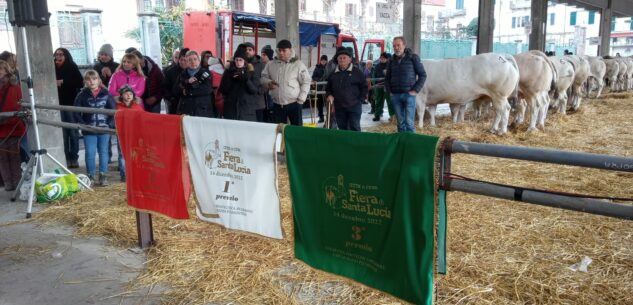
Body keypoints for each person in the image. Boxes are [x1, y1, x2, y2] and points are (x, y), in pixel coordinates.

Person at [73, 70, 116, 186]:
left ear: (99, 80)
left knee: (103, 153)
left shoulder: (106, 94)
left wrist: (109, 124)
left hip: (104, 129)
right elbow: (76, 111)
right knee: (90, 153)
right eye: (88, 79)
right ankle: (90, 176)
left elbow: (113, 111)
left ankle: (103, 176)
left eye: (94, 79)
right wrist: (83, 124)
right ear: (85, 81)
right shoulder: (82, 94)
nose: (91, 81)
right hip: (89, 129)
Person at [260, 39, 311, 125]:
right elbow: (263, 77)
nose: (281, 53)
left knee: (297, 130)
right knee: (279, 131)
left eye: (284, 50)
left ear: (290, 50)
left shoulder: (298, 65)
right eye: (279, 50)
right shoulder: (270, 64)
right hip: (277, 104)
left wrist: (301, 100)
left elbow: (306, 81)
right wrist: (268, 83)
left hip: (294, 104)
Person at [385, 36, 426, 133]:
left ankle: (411, 145)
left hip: (409, 95)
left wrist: (415, 90)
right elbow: (387, 78)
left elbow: (423, 75)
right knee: (400, 123)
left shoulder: (413, 58)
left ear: (404, 45)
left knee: (409, 123)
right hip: (395, 96)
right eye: (394, 46)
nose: (396, 48)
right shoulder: (391, 60)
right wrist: (389, 92)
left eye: (398, 45)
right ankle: (402, 144)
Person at [325, 47, 367, 131]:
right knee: (342, 129)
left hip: (354, 107)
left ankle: (356, 144)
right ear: (337, 60)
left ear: (350, 59)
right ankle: (345, 144)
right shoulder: (333, 74)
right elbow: (328, 88)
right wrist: (329, 95)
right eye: (340, 58)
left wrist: (360, 100)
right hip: (339, 107)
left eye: (344, 58)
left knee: (354, 128)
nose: (342, 60)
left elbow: (364, 86)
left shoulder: (357, 72)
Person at [54, 48, 83, 168]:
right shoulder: (51, 67)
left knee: (73, 131)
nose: (58, 56)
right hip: (57, 103)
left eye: (61, 54)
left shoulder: (72, 66)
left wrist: (63, 82)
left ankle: (74, 158)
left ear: (66, 55)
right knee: (62, 133)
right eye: (56, 54)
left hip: (71, 103)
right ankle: (65, 157)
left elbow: (79, 83)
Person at [0, 60, 25, 191]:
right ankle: (8, 183)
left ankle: (17, 182)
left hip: (14, 126)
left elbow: (22, 104)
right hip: (1, 128)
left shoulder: (16, 88)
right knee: (2, 158)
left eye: (1, 70)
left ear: (7, 71)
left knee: (14, 156)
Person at [219, 48, 260, 121]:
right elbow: (222, 90)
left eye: (240, 60)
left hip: (246, 111)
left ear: (245, 61)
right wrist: (230, 79)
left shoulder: (251, 72)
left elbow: (254, 90)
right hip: (231, 110)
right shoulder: (228, 72)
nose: (238, 62)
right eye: (236, 60)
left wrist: (246, 80)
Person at [114, 85, 143, 182]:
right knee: (122, 154)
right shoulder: (117, 107)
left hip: (135, 134)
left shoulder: (137, 107)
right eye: (126, 93)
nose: (128, 95)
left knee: (135, 153)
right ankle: (124, 175)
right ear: (121, 95)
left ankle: (135, 172)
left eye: (130, 94)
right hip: (122, 133)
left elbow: (143, 119)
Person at [176, 50, 214, 117]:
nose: (193, 62)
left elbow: (207, 89)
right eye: (189, 60)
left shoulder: (206, 73)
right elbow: (177, 89)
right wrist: (187, 81)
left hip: (202, 110)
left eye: (195, 59)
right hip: (186, 110)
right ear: (187, 62)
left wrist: (188, 91)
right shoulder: (183, 74)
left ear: (199, 61)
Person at [126, 49, 164, 113]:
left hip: (154, 102)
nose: (137, 65)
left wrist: (156, 97)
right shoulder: (132, 71)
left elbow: (163, 85)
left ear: (142, 59)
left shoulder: (154, 68)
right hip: (140, 102)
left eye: (138, 62)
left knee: (155, 120)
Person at [239, 42, 267, 122]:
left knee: (258, 129)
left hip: (257, 104)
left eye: (250, 49)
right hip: (243, 105)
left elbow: (267, 80)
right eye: (245, 50)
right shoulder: (239, 64)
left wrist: (259, 91)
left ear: (254, 51)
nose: (247, 51)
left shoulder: (261, 65)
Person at [162, 47, 189, 114]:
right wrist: (171, 98)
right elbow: (164, 88)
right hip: (175, 105)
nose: (182, 62)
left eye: (185, 60)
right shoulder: (170, 71)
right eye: (181, 60)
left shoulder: (194, 71)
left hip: (190, 105)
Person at [372, 52, 395, 122]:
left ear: (387, 59)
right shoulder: (377, 66)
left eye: (383, 58)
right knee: (378, 101)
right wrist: (375, 85)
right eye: (381, 58)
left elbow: (393, 76)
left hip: (387, 87)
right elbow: (374, 76)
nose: (382, 59)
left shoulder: (390, 66)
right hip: (379, 87)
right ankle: (377, 115)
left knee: (390, 101)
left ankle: (392, 116)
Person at [260, 45, 275, 122]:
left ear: (269, 56)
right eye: (261, 54)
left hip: (271, 99)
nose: (262, 56)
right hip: (263, 100)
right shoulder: (261, 66)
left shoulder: (274, 67)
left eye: (264, 55)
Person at [311, 55, 328, 123]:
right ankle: (321, 117)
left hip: (327, 89)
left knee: (327, 104)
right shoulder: (317, 68)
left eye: (324, 60)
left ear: (326, 61)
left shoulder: (328, 67)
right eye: (322, 60)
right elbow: (313, 77)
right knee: (319, 104)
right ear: (320, 61)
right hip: (319, 88)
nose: (323, 62)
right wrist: (319, 80)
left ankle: (329, 117)